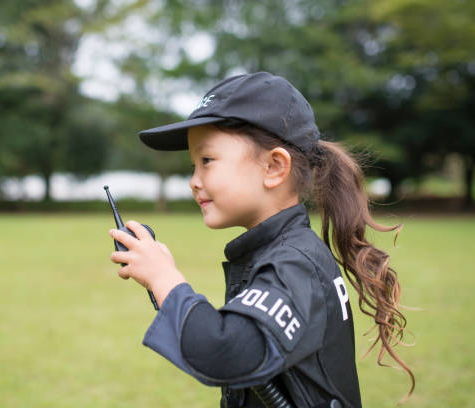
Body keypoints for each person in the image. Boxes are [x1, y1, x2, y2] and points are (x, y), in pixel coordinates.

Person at [108, 72, 414, 407]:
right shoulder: (282, 252)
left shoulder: (294, 264)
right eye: (193, 165)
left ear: (274, 167)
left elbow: (225, 354)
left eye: (207, 161)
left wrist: (165, 278)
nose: (194, 181)